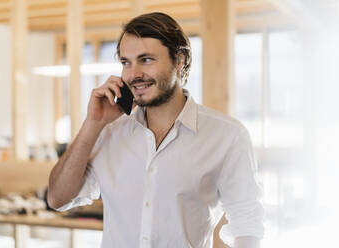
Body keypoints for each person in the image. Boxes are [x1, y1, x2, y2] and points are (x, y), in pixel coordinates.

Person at [47, 12, 264, 248]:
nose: (133, 74)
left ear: (179, 60)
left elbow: (247, 222)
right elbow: (58, 199)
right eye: (126, 62)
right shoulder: (109, 132)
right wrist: (93, 122)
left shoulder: (227, 136)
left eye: (146, 59)